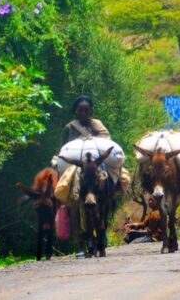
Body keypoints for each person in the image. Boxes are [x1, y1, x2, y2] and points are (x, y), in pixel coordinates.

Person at [62, 95, 111, 258]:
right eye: (80, 110)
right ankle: (82, 243)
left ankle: (101, 236)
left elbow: (107, 142)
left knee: (109, 178)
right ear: (75, 112)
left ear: (90, 111)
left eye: (86, 110)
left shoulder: (97, 125)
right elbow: (64, 149)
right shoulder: (69, 128)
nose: (83, 112)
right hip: (78, 166)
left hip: (96, 163)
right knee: (74, 192)